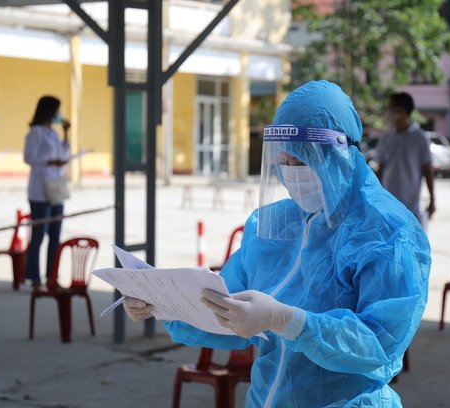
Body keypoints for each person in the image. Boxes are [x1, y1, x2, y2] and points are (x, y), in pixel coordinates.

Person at [125, 81, 431, 407]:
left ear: (341, 155)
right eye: (284, 160)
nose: (291, 173)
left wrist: (287, 321)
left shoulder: (387, 232)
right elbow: (226, 306)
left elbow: (379, 343)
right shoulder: (273, 225)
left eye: (302, 161)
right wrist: (165, 305)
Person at [23, 95, 71, 288]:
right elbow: (29, 158)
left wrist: (66, 134)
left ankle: (52, 277)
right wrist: (50, 162)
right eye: (57, 110)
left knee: (55, 235)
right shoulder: (36, 132)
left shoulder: (53, 132)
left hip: (56, 189)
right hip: (40, 191)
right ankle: (34, 277)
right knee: (39, 235)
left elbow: (63, 154)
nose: (59, 114)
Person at [375, 92, 435, 229]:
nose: (388, 113)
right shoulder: (386, 137)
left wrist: (432, 199)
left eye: (391, 109)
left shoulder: (420, 138)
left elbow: (428, 170)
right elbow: (381, 170)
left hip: (411, 206)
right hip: (388, 205)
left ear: (402, 110)